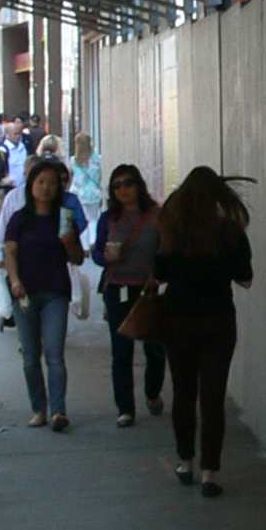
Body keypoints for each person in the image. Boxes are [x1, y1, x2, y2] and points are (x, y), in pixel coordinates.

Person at [152, 167, 252, 496]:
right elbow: (246, 279)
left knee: (183, 392)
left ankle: (185, 463)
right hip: (218, 320)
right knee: (212, 397)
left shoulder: (170, 229)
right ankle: (210, 472)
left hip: (177, 319)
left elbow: (159, 273)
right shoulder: (230, 232)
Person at [2, 154, 83, 430]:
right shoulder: (19, 218)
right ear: (31, 184)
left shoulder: (64, 218)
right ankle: (39, 408)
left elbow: (78, 258)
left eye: (51, 183)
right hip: (24, 292)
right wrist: (14, 280)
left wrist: (70, 243)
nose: (46, 187)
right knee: (30, 355)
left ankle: (58, 410)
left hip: (55, 292)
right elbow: (9, 250)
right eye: (40, 182)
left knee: (54, 352)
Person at [92, 162, 165, 428]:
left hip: (146, 289)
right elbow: (97, 253)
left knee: (155, 347)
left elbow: (165, 250)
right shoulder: (108, 219)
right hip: (117, 288)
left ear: (139, 185)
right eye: (117, 185)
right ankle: (125, 408)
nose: (123, 189)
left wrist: (159, 273)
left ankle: (152, 391)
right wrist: (106, 257)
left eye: (128, 183)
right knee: (121, 351)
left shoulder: (156, 215)